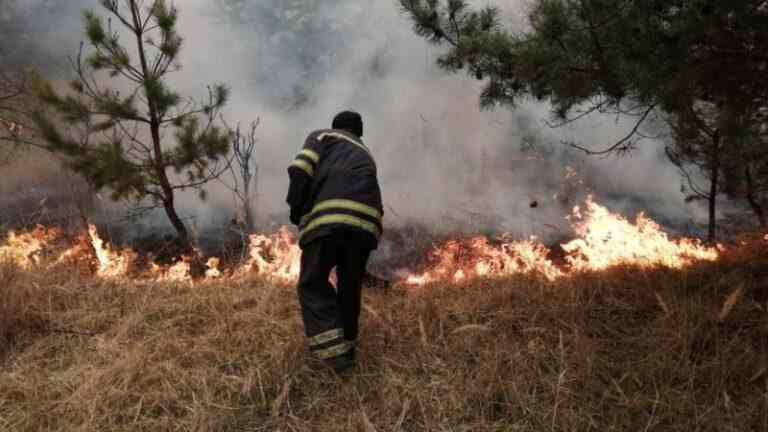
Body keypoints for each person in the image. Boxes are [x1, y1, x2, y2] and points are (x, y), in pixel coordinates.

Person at [285, 110, 383, 373]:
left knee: (312, 283)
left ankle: (336, 360)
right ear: (359, 131)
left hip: (329, 220)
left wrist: (295, 209)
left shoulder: (322, 136)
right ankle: (348, 344)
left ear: (335, 126)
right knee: (349, 287)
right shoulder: (365, 152)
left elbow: (300, 170)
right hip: (366, 227)